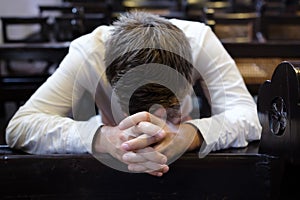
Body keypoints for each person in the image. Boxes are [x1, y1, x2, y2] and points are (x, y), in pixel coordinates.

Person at [5, 11, 262, 177]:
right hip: (104, 173)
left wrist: (190, 134)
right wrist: (103, 138)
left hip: (184, 171)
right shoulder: (89, 52)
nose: (148, 124)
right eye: (130, 111)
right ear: (110, 76)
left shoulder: (200, 42)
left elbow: (247, 116)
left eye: (168, 109)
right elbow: (20, 126)